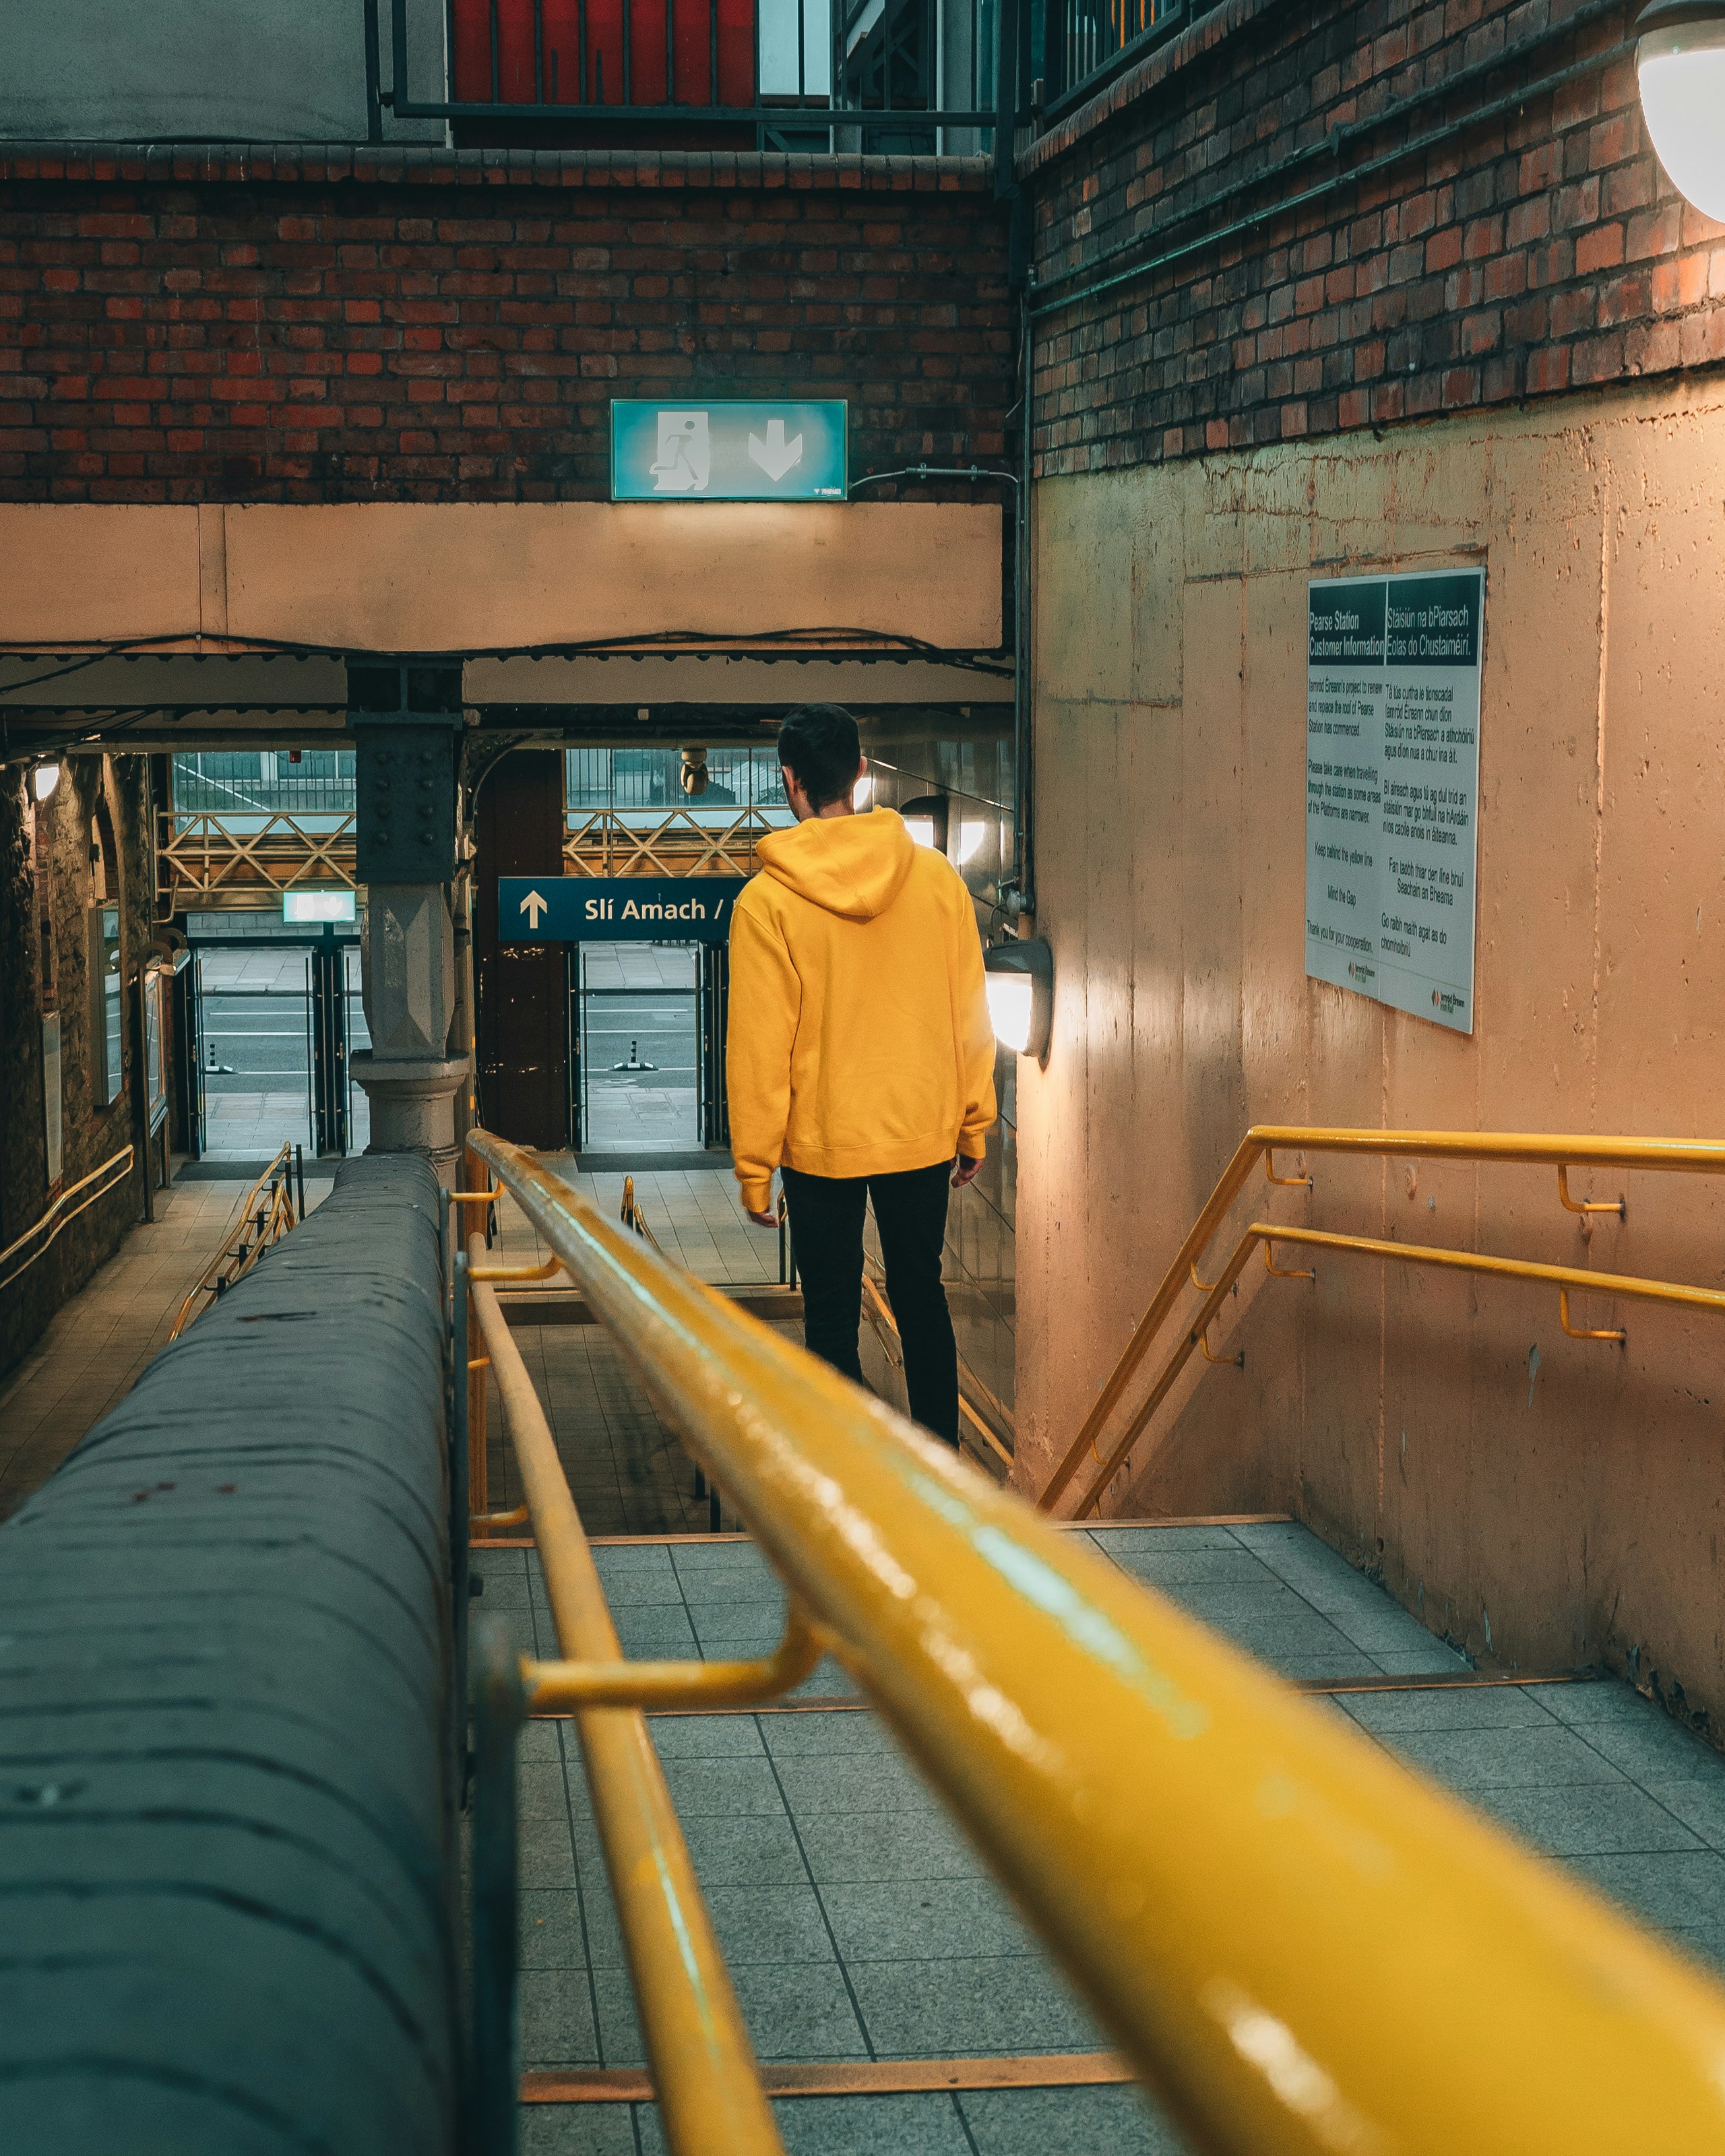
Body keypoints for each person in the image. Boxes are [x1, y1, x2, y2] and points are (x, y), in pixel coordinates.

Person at [726, 704, 996, 1445]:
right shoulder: (937, 880)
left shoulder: (766, 902)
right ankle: (940, 1464)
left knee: (832, 1315)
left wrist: (755, 1167)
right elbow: (968, 1010)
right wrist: (975, 1121)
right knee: (921, 1296)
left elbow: (758, 1047)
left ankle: (851, 1468)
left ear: (790, 781)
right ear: (861, 772)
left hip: (822, 1144)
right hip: (919, 1131)